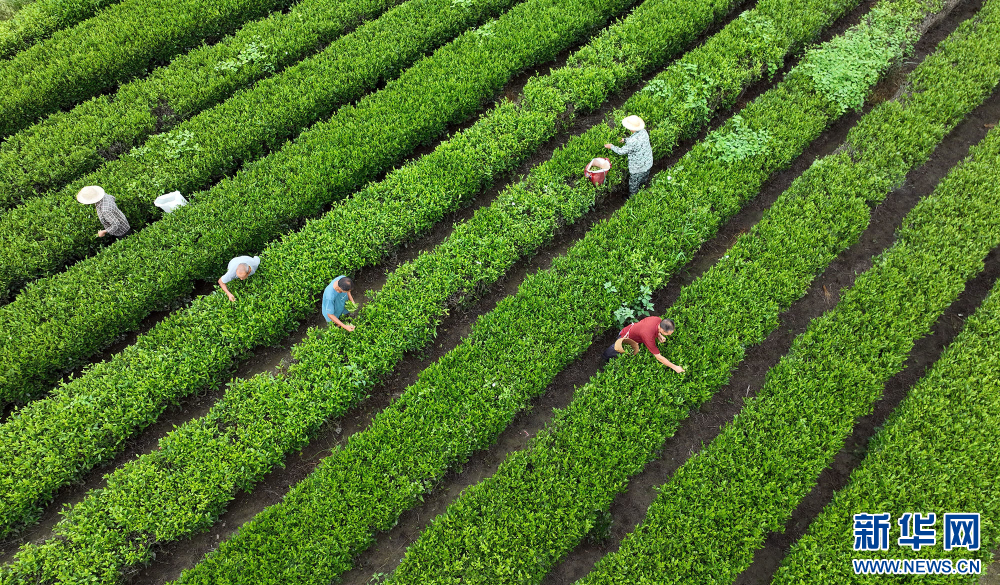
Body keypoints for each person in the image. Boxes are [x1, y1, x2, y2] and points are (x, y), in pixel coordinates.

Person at [602, 315, 684, 373]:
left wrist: (659, 335)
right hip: (625, 337)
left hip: (633, 331)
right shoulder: (648, 336)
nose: (669, 335)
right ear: (662, 329)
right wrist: (675, 367)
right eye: (668, 334)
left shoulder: (657, 319)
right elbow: (659, 357)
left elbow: (650, 327)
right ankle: (604, 358)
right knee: (615, 349)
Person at [604, 115, 653, 195]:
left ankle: (632, 198)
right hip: (648, 162)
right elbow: (636, 142)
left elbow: (621, 151)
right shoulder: (644, 131)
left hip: (638, 168)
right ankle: (643, 190)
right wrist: (625, 140)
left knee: (633, 185)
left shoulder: (632, 142)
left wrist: (611, 146)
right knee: (643, 180)